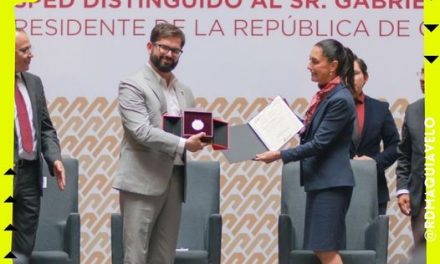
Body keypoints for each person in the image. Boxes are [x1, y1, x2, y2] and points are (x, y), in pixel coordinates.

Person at [255, 39, 356, 264]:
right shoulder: (327, 95)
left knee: (326, 250)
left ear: (333, 65)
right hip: (321, 182)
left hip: (331, 184)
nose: (308, 66)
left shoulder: (339, 99)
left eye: (314, 61)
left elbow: (319, 143)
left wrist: (280, 155)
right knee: (321, 249)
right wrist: (286, 114)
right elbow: (311, 130)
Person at [113, 23, 206, 264]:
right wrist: (184, 144)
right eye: (164, 47)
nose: (169, 54)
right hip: (141, 180)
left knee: (164, 256)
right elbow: (141, 131)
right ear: (150, 46)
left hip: (174, 179)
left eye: (175, 50)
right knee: (136, 255)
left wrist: (214, 134)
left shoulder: (184, 91)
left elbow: (194, 128)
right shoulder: (132, 84)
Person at [13, 30, 66, 261]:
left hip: (29, 177)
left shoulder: (34, 83)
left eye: (29, 48)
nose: (31, 54)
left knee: (22, 250)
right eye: (24, 50)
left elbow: (45, 128)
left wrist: (54, 158)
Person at [350, 56, 400, 215]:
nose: (350, 78)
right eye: (346, 73)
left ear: (365, 77)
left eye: (355, 73)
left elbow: (396, 146)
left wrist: (374, 162)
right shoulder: (327, 106)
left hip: (373, 188)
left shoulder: (380, 109)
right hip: (334, 189)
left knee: (372, 239)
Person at [396, 66, 425, 264]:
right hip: (422, 199)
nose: (422, 78)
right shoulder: (414, 110)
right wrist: (403, 189)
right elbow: (404, 154)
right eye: (421, 73)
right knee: (425, 254)